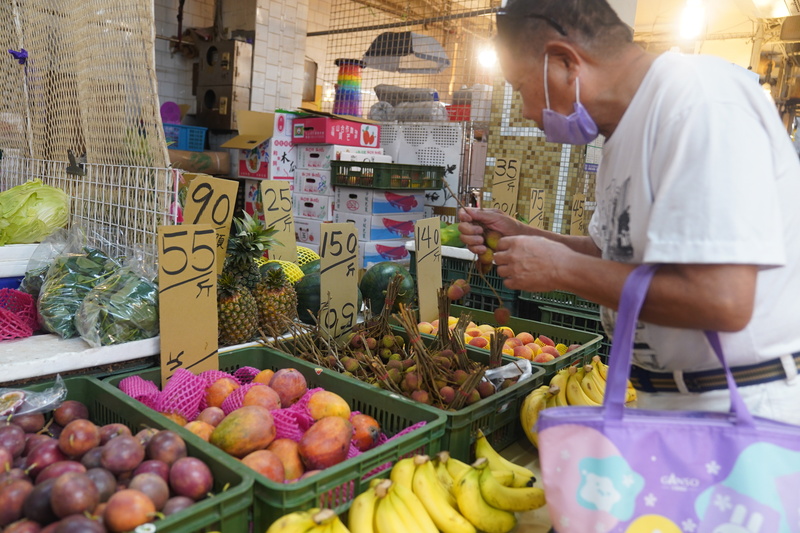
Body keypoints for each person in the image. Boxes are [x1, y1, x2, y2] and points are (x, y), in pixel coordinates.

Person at [459, 0, 800, 424]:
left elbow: (723, 300)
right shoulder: (622, 135)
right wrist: (524, 236)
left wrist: (563, 270)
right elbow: (614, 255)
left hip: (741, 411)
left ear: (564, 61)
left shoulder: (699, 106)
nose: (528, 111)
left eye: (521, 86)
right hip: (675, 402)